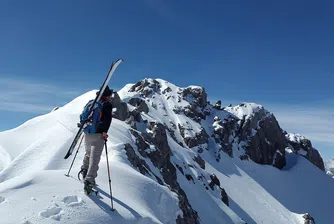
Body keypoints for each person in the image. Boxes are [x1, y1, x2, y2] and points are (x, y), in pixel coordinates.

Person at [79, 86, 113, 193]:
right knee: (95, 159)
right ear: (106, 96)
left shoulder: (91, 103)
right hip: (98, 135)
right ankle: (89, 182)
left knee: (88, 153)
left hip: (88, 133)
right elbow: (107, 120)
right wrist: (104, 132)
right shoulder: (106, 105)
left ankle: (84, 171)